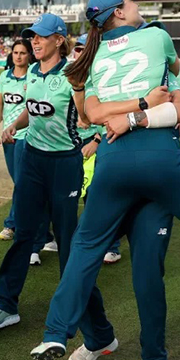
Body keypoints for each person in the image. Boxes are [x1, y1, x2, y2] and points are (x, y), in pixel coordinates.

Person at [31, 0, 180, 360]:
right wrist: (146, 105)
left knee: (86, 248)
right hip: (157, 160)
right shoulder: (157, 36)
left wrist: (133, 115)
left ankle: (57, 331)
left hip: (113, 163)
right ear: (119, 12)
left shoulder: (92, 57)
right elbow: (179, 97)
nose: (137, 3)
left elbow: (103, 113)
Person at [0, 14, 101, 333]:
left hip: (64, 163)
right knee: (23, 232)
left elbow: (90, 118)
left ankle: (76, 306)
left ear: (59, 40)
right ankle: (6, 305)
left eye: (41, 36)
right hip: (33, 159)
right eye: (31, 36)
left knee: (66, 237)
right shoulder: (33, 71)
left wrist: (94, 134)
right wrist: (13, 125)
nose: (34, 41)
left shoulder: (74, 73)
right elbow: (31, 108)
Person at [0, 39, 55, 261]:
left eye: (23, 53)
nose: (19, 56)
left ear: (29, 55)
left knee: (25, 185)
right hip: (10, 138)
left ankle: (15, 226)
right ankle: (44, 234)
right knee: (22, 184)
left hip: (28, 136)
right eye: (16, 52)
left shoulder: (34, 75)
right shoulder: (5, 77)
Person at [73, 33, 123, 265]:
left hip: (97, 144)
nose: (80, 53)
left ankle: (111, 245)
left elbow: (112, 115)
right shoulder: (70, 77)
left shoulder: (106, 77)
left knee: (98, 197)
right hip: (71, 146)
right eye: (78, 49)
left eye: (85, 49)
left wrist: (96, 140)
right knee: (74, 195)